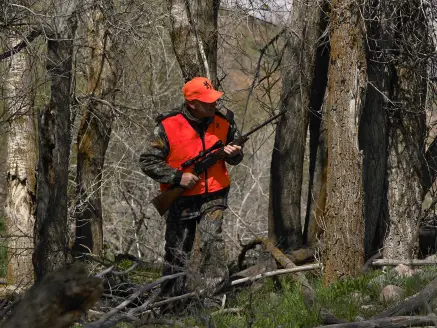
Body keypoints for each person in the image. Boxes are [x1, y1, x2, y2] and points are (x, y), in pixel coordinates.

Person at [139, 77, 244, 300]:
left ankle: (214, 299)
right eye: (207, 102)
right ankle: (171, 301)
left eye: (214, 100)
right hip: (180, 199)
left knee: (212, 244)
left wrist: (235, 154)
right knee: (177, 250)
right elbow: (147, 161)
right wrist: (178, 177)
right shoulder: (167, 126)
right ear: (192, 103)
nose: (213, 105)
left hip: (214, 194)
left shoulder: (224, 122)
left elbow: (236, 155)